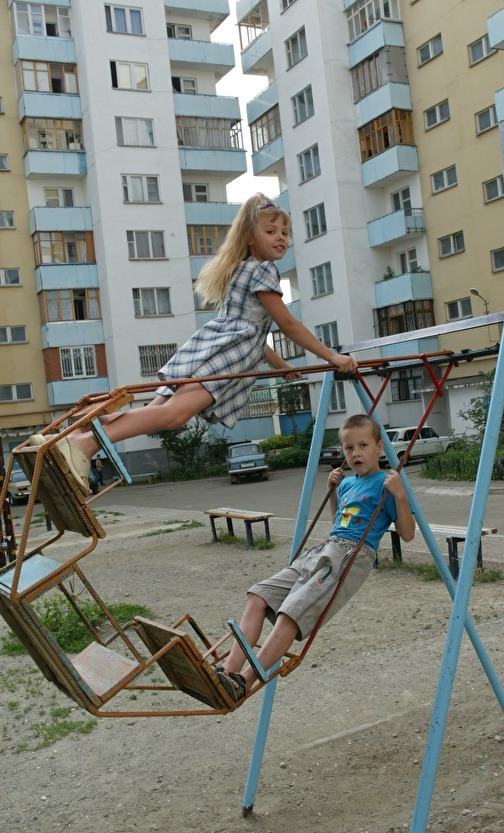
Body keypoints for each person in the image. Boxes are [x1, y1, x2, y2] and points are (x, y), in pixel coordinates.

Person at [29, 194, 357, 492]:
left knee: (156, 411)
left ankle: (69, 437)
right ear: (249, 236)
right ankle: (83, 446)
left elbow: (253, 330)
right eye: (271, 231)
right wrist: (332, 357)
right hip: (227, 355)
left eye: (284, 232)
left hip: (210, 346)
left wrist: (280, 365)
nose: (281, 238)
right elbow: (287, 324)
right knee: (173, 416)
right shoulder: (264, 270)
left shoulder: (241, 268)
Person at [216, 413, 415, 702]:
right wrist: (332, 493)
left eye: (363, 446)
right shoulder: (347, 483)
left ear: (379, 447)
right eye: (349, 448)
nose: (356, 454)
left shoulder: (387, 484)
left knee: (292, 612)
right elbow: (339, 522)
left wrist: (401, 496)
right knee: (258, 595)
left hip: (351, 555)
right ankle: (228, 670)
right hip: (326, 548)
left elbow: (407, 534)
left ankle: (244, 682)